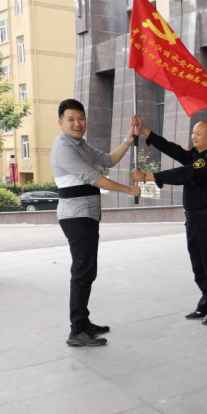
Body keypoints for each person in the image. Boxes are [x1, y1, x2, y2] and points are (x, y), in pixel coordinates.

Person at [50, 99, 140, 347]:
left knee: (88, 271)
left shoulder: (80, 144)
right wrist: (128, 190)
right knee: (82, 272)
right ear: (60, 122)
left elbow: (108, 160)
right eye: (71, 119)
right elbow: (94, 177)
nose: (77, 123)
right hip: (76, 216)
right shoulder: (63, 148)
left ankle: (83, 322)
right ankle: (77, 331)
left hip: (87, 215)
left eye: (81, 118)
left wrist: (129, 139)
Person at [131, 117, 207, 324]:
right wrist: (145, 131)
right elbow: (172, 149)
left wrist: (147, 176)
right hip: (193, 221)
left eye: (198, 134)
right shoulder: (195, 155)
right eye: (193, 133)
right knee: (199, 266)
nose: (193, 136)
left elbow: (185, 174)